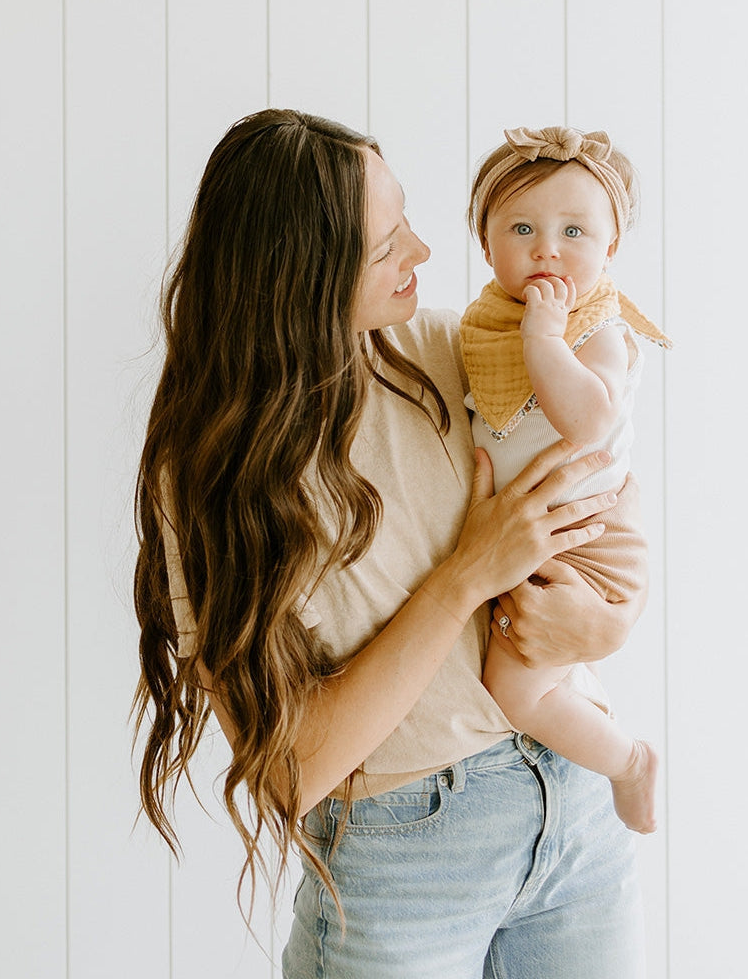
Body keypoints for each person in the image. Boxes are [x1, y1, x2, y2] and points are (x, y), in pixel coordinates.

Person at [133, 109, 649, 978]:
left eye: (405, 218)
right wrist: (464, 578)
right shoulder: (210, 477)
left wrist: (610, 620)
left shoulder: (457, 350)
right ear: (300, 275)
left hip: (576, 809)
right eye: (385, 246)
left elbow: (604, 491)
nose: (423, 250)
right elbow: (292, 773)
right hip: (403, 861)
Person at [462, 125, 671, 834]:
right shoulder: (484, 327)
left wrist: (545, 339)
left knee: (515, 690)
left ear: (610, 249)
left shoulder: (596, 327)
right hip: (539, 538)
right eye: (522, 229)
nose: (547, 248)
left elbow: (587, 420)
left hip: (588, 540)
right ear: (486, 246)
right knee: (527, 669)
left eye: (574, 231)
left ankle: (629, 762)